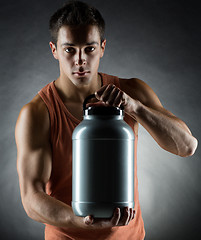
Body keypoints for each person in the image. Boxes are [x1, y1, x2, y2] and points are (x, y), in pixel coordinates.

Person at [15, 1, 198, 239]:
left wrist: (134, 108)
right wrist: (79, 220)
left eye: (89, 49)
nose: (80, 60)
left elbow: (187, 146)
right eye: (70, 49)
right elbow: (31, 199)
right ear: (54, 50)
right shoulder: (38, 113)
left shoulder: (132, 91)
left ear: (102, 48)